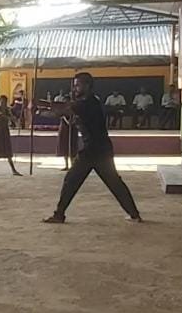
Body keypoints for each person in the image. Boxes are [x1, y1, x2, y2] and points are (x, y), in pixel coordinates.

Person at [41, 72, 142, 224]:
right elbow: (65, 112)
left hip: (94, 150)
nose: (75, 88)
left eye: (78, 85)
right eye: (74, 85)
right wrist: (43, 108)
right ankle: (134, 214)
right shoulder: (85, 102)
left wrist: (40, 105)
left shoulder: (88, 103)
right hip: (100, 149)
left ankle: (59, 215)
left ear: (87, 86)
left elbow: (63, 109)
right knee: (113, 182)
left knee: (73, 180)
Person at [0, 95, 21, 176]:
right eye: (2, 101)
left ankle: (13, 170)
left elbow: (12, 117)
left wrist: (16, 119)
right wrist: (10, 117)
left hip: (5, 130)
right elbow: (1, 116)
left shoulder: (7, 110)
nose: (3, 103)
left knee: (7, 149)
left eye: (5, 102)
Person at [56, 106, 79, 172]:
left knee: (72, 146)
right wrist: (66, 119)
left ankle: (72, 165)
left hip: (73, 129)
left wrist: (72, 120)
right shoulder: (63, 111)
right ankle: (66, 165)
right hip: (64, 129)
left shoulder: (75, 109)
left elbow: (74, 120)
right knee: (64, 146)